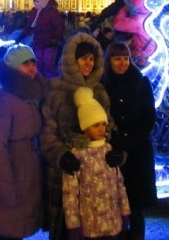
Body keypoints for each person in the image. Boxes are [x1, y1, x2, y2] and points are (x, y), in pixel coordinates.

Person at [40, 33, 122, 240]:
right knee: (66, 230)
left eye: (92, 59)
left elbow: (109, 126)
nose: (88, 63)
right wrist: (61, 155)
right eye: (83, 58)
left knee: (97, 227)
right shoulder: (55, 89)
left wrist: (116, 152)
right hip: (66, 173)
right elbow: (46, 130)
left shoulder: (99, 90)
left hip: (96, 176)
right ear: (71, 59)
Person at [0, 44, 47, 240]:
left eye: (33, 63)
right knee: (6, 230)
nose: (31, 68)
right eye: (24, 64)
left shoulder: (31, 95)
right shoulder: (3, 99)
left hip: (26, 174)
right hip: (11, 175)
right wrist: (5, 188)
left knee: (16, 230)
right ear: (12, 68)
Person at [103, 42, 157, 240]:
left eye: (126, 58)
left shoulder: (141, 83)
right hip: (113, 153)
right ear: (109, 60)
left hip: (137, 152)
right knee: (113, 205)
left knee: (135, 206)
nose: (123, 63)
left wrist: (131, 141)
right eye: (118, 58)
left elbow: (149, 117)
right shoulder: (103, 85)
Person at [62, 86, 131, 240]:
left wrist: (125, 211)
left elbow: (119, 184)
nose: (101, 129)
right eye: (95, 125)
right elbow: (70, 194)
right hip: (91, 226)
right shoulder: (78, 155)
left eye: (103, 124)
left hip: (113, 223)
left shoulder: (108, 150)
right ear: (85, 128)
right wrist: (73, 226)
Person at [20, 0, 65, 80]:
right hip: (38, 43)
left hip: (49, 45)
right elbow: (29, 25)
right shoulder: (34, 11)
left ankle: (51, 87)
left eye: (37, 1)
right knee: (38, 66)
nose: (34, 3)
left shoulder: (52, 12)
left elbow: (60, 27)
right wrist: (20, 37)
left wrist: (53, 39)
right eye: (34, 0)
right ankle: (40, 86)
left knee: (48, 67)